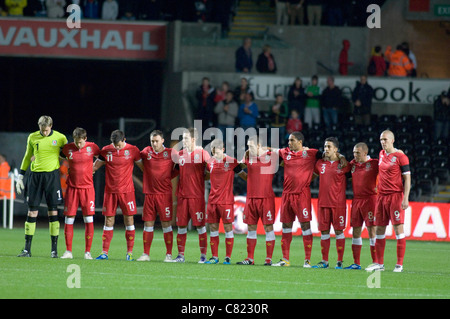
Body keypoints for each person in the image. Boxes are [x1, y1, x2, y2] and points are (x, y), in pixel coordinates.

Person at [271, 132, 347, 267]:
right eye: (289, 140)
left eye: (292, 140)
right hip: (287, 195)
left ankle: (307, 260)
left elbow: (327, 155)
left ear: (300, 141)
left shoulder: (312, 154)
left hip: (302, 195)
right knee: (286, 226)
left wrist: (341, 156)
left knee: (305, 225)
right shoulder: (285, 153)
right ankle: (285, 259)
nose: (289, 143)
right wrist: (257, 149)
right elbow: (271, 151)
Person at [17, 116, 68, 258]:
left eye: (46, 130)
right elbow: (27, 156)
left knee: (53, 212)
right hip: (35, 177)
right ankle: (27, 249)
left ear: (51, 126)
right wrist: (21, 175)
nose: (44, 133)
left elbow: (67, 155)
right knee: (32, 211)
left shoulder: (61, 138)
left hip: (52, 176)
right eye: (42, 130)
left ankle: (54, 250)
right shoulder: (32, 137)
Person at [93, 130, 144, 261]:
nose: (117, 147)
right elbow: (95, 167)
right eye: (114, 145)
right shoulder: (106, 150)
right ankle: (104, 252)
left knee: (129, 220)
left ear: (124, 140)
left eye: (119, 145)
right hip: (110, 192)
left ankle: (129, 253)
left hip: (127, 192)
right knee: (109, 220)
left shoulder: (133, 150)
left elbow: (144, 168)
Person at [366, 130, 411, 273]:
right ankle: (379, 263)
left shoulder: (401, 157)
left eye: (385, 139)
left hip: (395, 196)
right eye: (381, 139)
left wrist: (405, 197)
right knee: (379, 229)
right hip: (381, 197)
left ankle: (399, 265)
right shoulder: (381, 154)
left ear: (392, 140)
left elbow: (407, 179)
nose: (382, 142)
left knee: (398, 229)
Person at [204, 139, 247, 264]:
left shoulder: (231, 162)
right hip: (212, 200)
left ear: (222, 149)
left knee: (228, 227)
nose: (213, 151)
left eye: (216, 148)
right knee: (213, 228)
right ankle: (214, 257)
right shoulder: (209, 163)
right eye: (212, 148)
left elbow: (244, 175)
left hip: (226, 201)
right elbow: (206, 176)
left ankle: (227, 257)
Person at [171, 128, 210, 263]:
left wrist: (205, 176)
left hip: (196, 196)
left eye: (186, 138)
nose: (184, 141)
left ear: (193, 139)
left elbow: (212, 168)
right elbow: (175, 171)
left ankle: (203, 256)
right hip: (182, 196)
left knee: (200, 226)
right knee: (181, 226)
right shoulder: (180, 154)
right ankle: (180, 255)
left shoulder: (203, 153)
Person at [137, 130, 177, 262]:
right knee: (148, 224)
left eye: (157, 141)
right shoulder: (146, 151)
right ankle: (145, 254)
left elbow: (180, 168)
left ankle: (169, 255)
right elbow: (135, 158)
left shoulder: (171, 153)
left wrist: (168, 177)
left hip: (164, 194)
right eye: (152, 141)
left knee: (166, 224)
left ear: (163, 141)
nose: (154, 144)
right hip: (149, 194)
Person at [59, 128, 99, 260]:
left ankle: (88, 252)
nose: (78, 145)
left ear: (85, 139)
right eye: (76, 142)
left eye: (80, 142)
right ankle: (68, 251)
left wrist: (94, 167)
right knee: (69, 219)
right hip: (72, 188)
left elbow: (103, 157)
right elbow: (59, 156)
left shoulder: (92, 147)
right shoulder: (67, 148)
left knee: (88, 219)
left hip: (87, 189)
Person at [237, 135, 277, 266]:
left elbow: (284, 152)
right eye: (248, 146)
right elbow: (237, 168)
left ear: (259, 146)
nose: (249, 148)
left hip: (266, 198)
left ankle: (268, 259)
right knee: (251, 227)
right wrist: (246, 176)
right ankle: (250, 258)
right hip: (251, 198)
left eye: (251, 146)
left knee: (268, 227)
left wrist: (267, 148)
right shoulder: (248, 157)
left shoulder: (270, 156)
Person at [311, 137, 351, 269]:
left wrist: (341, 156)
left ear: (336, 149)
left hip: (338, 204)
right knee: (324, 232)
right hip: (323, 203)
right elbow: (314, 175)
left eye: (329, 147)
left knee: (339, 231)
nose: (326, 149)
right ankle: (324, 261)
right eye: (325, 146)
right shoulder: (320, 164)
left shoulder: (344, 165)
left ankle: (339, 261)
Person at [344, 142, 378, 269]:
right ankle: (356, 263)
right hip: (356, 200)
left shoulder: (374, 164)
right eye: (354, 153)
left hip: (370, 199)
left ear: (365, 152)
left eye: (357, 153)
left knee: (372, 230)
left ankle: (376, 262)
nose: (355, 155)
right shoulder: (353, 165)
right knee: (356, 231)